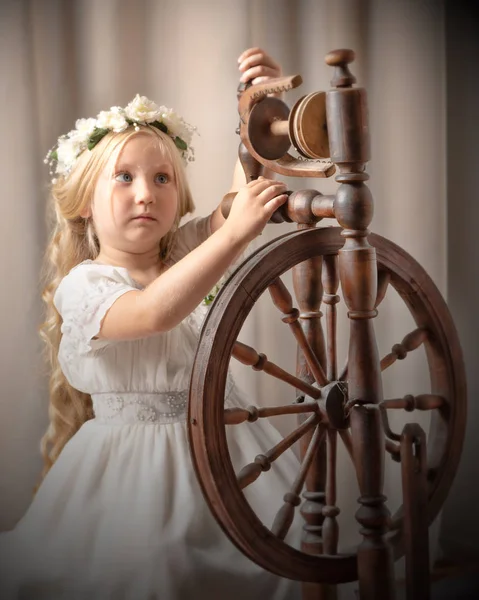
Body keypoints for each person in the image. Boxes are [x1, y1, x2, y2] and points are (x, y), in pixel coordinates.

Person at [0, 48, 302, 599]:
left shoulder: (183, 253)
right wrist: (234, 235)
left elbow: (240, 192)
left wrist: (257, 109)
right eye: (125, 178)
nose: (147, 193)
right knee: (156, 570)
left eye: (163, 178)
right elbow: (154, 311)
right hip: (134, 474)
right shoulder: (85, 285)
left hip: (228, 451)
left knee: (287, 553)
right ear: (85, 204)